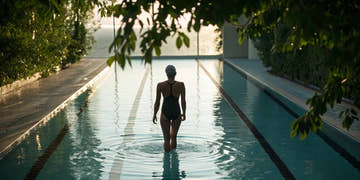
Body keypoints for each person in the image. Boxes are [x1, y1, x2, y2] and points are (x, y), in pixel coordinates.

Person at [153, 65, 186, 152]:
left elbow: (157, 102)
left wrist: (154, 114)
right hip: (176, 111)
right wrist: (184, 113)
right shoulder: (181, 85)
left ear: (166, 74)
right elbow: (183, 101)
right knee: (174, 137)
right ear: (175, 73)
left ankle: (167, 159)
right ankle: (174, 159)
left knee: (166, 138)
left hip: (165, 112)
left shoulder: (160, 85)